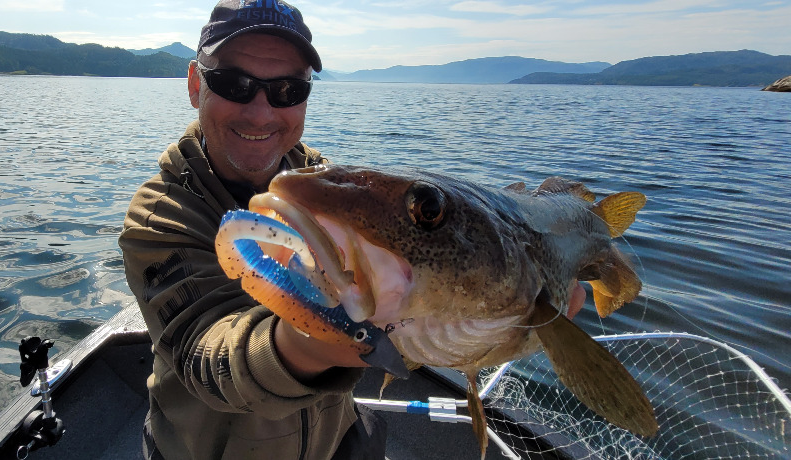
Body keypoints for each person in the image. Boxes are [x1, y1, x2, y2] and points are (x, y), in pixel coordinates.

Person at [118, 1, 586, 458]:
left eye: (287, 90)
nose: (260, 113)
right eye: (233, 84)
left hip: (336, 439)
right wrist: (314, 343)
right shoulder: (160, 214)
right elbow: (205, 361)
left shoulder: (324, 185)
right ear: (196, 84)